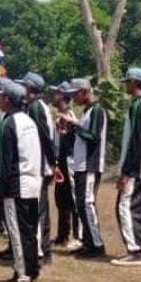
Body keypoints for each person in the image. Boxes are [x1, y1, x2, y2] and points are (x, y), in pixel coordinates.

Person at [0, 81, 43, 282]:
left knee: (17, 231)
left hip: (16, 185)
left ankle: (23, 274)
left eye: (0, 96)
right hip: (32, 181)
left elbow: (5, 162)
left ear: (7, 99)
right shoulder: (28, 121)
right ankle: (32, 269)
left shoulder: (7, 124)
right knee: (29, 230)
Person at [112, 68, 141, 267]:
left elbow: (135, 142)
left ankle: (134, 249)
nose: (125, 85)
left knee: (125, 206)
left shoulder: (138, 106)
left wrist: (126, 172)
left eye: (127, 82)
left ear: (134, 82)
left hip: (136, 167)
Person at [59, 78, 108, 259]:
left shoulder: (96, 111)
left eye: (75, 93)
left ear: (85, 91)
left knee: (87, 203)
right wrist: (73, 127)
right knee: (81, 204)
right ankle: (88, 242)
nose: (73, 97)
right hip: (81, 164)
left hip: (90, 164)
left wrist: (74, 125)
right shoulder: (88, 111)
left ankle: (97, 245)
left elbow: (93, 136)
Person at [21, 72, 58, 265]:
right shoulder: (36, 106)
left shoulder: (36, 107)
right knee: (40, 209)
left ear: (29, 87)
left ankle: (41, 251)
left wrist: (52, 162)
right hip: (41, 164)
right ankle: (43, 249)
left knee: (39, 210)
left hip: (40, 164)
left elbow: (43, 136)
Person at [51, 82, 81, 248]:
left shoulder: (69, 116)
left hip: (69, 159)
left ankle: (77, 235)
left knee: (72, 198)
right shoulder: (58, 116)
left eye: (55, 93)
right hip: (60, 160)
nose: (52, 97)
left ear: (62, 96)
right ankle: (63, 234)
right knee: (61, 198)